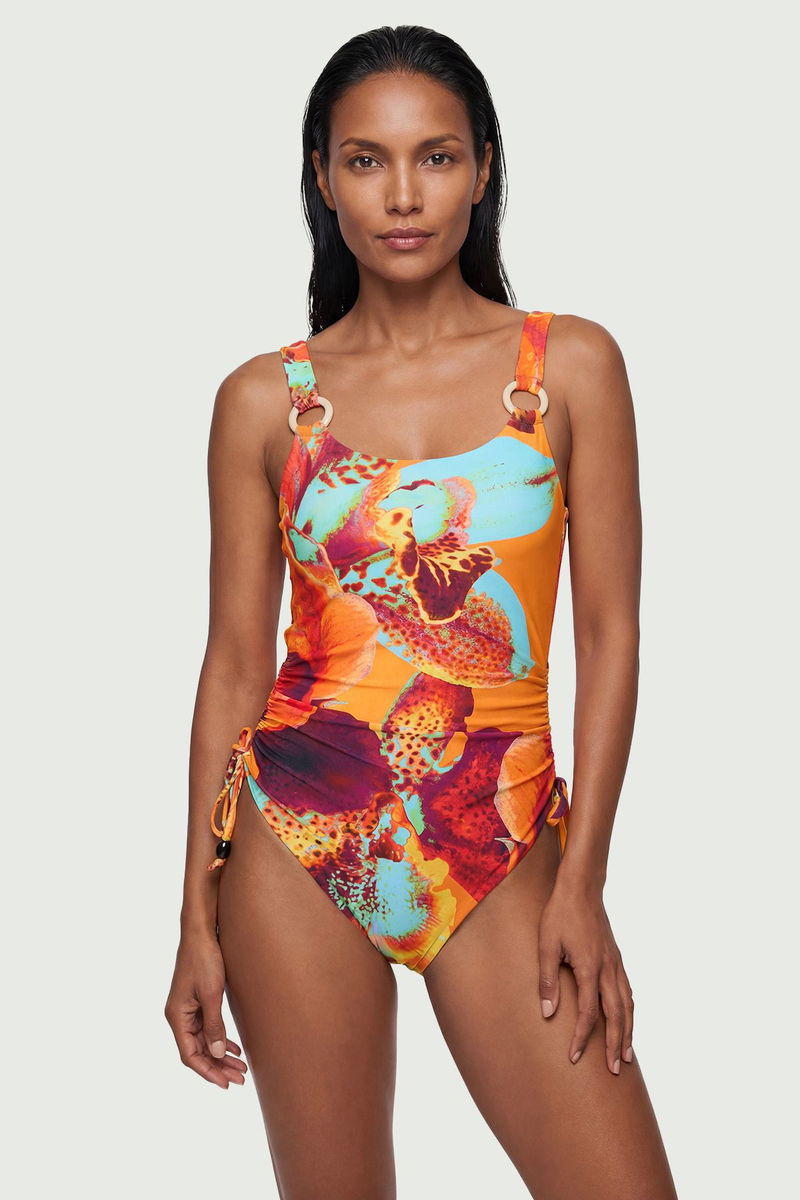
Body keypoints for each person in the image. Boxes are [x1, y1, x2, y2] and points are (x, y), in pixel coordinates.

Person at [165, 24, 678, 1200]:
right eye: (366, 160)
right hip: (295, 834)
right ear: (321, 176)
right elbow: (233, 662)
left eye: (435, 156)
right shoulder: (262, 402)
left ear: (483, 168)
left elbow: (609, 638)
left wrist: (583, 884)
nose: (402, 195)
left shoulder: (568, 369)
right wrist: (195, 909)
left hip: (497, 832)